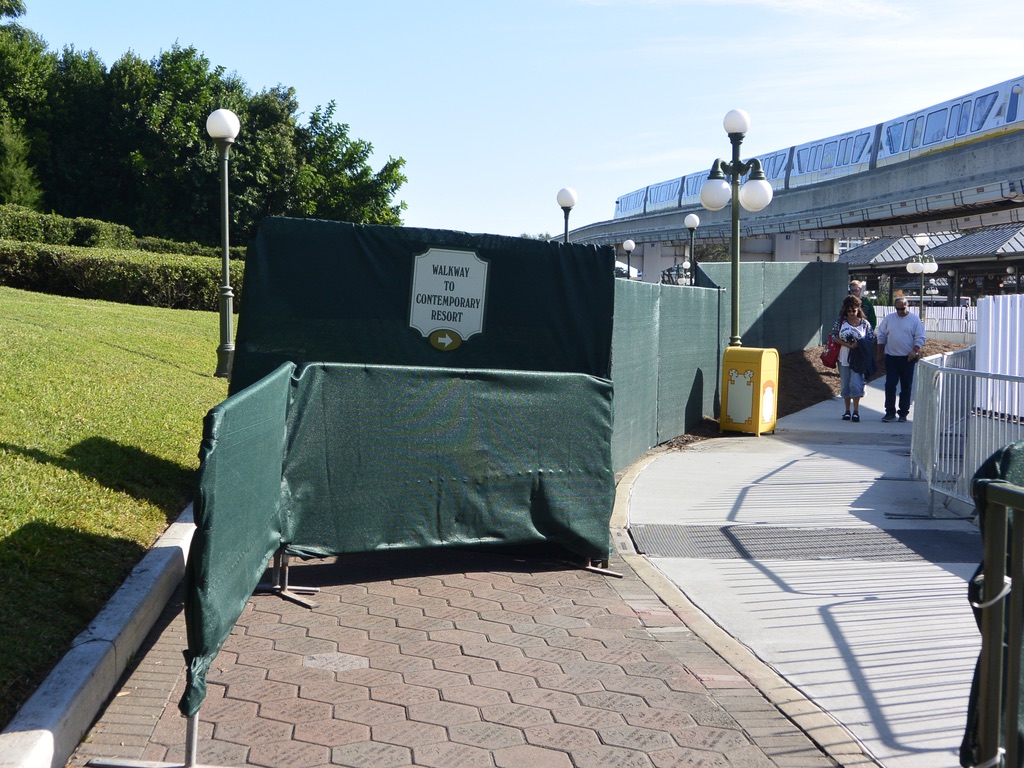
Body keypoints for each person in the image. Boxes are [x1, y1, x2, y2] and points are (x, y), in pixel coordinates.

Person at [876, 296, 926, 423]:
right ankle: (889, 412)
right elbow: (881, 335)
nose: (899, 312)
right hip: (891, 357)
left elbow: (920, 337)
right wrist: (880, 353)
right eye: (897, 309)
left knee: (906, 386)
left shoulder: (914, 320)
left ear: (907, 306)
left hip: (907, 358)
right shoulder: (889, 319)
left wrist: (914, 351)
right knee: (890, 384)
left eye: (902, 309)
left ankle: (903, 412)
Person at [836, 295, 874, 422]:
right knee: (845, 385)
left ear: (858, 309)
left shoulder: (865, 323)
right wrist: (846, 344)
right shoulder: (841, 321)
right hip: (844, 357)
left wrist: (858, 344)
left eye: (854, 310)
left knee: (856, 385)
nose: (851, 313)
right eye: (848, 310)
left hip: (858, 358)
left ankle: (856, 411)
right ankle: (847, 411)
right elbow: (833, 337)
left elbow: (871, 338)